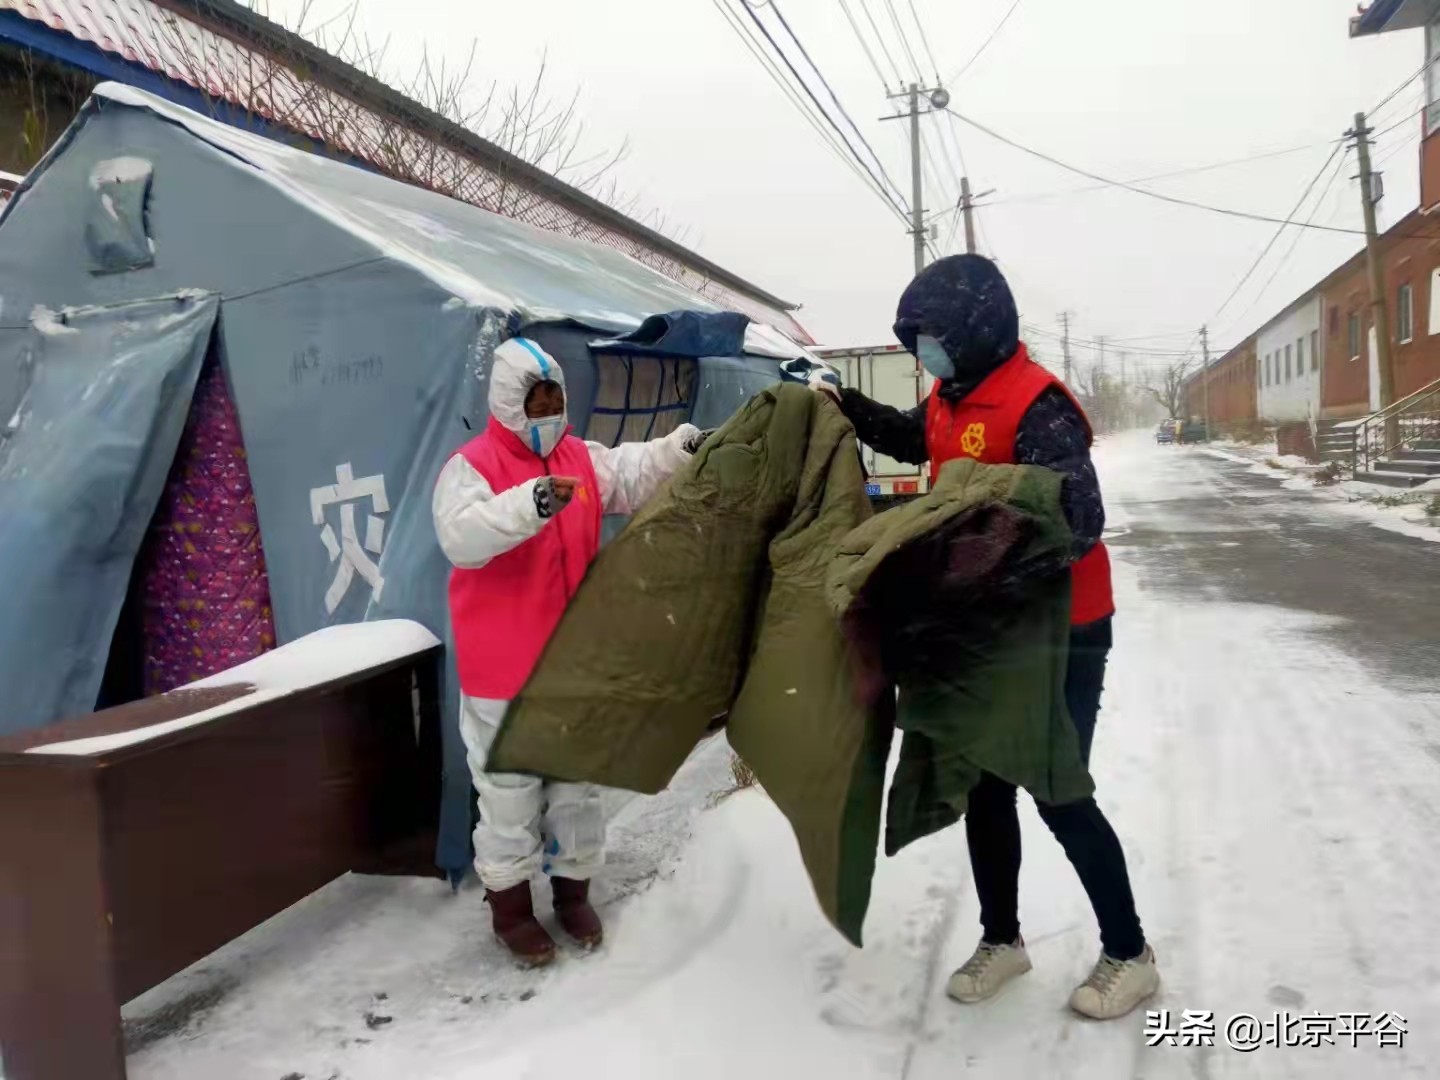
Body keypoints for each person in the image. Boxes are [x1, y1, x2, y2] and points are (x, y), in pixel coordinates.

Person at [813, 254, 1159, 1021]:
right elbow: (919, 441)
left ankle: (1130, 952)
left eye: (932, 338)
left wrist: (975, 564)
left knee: (1056, 787)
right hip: (985, 624)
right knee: (986, 783)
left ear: (977, 329)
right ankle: (1002, 939)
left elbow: (1075, 519)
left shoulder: (1040, 406)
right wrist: (846, 409)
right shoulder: (950, 393)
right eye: (916, 342)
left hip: (1059, 628)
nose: (923, 354)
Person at [434, 336, 708, 967]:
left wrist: (677, 449)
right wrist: (527, 506)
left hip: (575, 665)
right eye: (536, 400)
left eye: (554, 399)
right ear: (508, 402)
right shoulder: (471, 468)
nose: (548, 412)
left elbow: (632, 474)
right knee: (509, 795)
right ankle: (510, 911)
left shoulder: (579, 459)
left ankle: (573, 894)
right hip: (503, 674)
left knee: (577, 789)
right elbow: (461, 537)